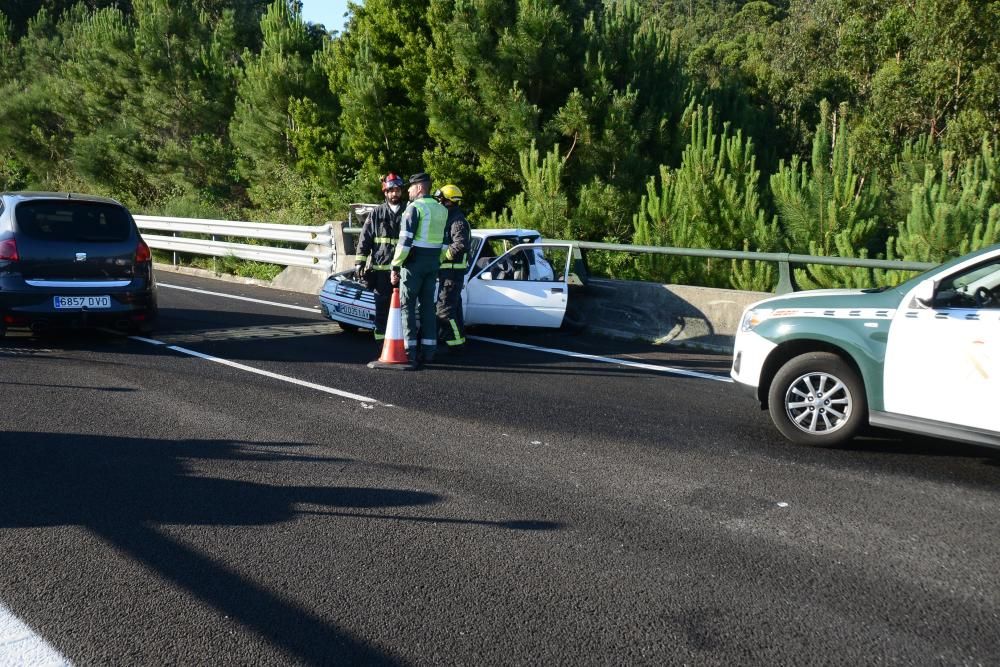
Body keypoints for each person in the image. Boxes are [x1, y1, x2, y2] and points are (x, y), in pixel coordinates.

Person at [390, 172, 449, 367]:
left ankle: (410, 350)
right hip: (433, 263)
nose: (407, 190)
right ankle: (429, 350)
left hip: (414, 263)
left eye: (411, 187)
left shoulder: (414, 209)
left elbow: (405, 241)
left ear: (420, 188)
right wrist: (437, 261)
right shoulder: (442, 210)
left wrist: (396, 264)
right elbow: (445, 244)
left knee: (408, 305)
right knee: (427, 307)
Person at [355, 172, 405, 342]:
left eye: (397, 190)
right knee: (382, 308)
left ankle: (400, 341)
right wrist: (360, 262)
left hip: (403, 271)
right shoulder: (376, 213)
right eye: (391, 190)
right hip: (381, 271)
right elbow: (365, 238)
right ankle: (380, 341)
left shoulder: (409, 211)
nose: (394, 193)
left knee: (404, 308)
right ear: (385, 193)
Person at [434, 184, 471, 353]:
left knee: (444, 312)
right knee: (454, 309)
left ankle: (455, 343)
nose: (438, 203)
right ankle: (458, 340)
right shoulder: (450, 218)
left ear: (449, 201)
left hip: (452, 273)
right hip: (449, 272)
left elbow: (460, 245)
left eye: (440, 200)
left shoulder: (457, 221)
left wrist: (440, 257)